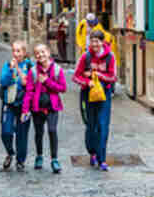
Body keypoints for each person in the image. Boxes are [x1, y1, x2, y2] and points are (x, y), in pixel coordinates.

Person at [73, 30, 116, 171]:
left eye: (97, 41)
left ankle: (102, 159)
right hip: (87, 95)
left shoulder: (110, 57)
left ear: (103, 42)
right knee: (91, 125)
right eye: (92, 41)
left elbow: (113, 77)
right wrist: (87, 81)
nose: (94, 44)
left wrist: (98, 75)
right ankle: (92, 152)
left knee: (103, 125)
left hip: (104, 96)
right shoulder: (85, 57)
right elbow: (75, 77)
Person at [21, 43, 66, 174]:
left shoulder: (57, 70)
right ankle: (39, 156)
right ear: (35, 57)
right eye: (37, 53)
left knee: (52, 130)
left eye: (43, 52)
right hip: (37, 108)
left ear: (48, 52)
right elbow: (29, 92)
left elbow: (62, 88)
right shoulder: (33, 72)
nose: (40, 55)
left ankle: (54, 159)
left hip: (53, 107)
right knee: (39, 133)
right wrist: (25, 110)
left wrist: (47, 81)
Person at [0, 42, 33, 171]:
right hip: (9, 103)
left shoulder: (29, 65)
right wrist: (12, 70)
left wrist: (18, 69)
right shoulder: (8, 65)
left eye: (18, 51)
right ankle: (10, 153)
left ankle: (20, 160)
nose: (15, 53)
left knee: (22, 133)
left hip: (24, 104)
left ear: (24, 52)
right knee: (6, 132)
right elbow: (3, 81)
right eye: (14, 51)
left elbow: (27, 82)